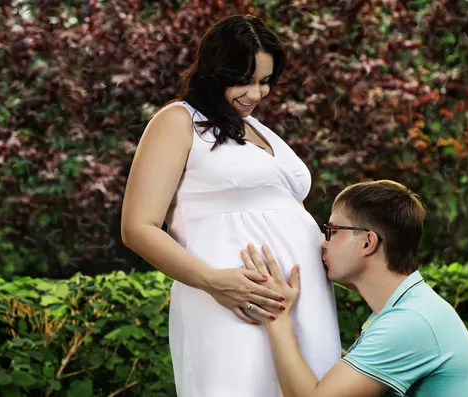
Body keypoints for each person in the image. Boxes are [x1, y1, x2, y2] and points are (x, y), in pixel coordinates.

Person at [120, 14, 341, 397]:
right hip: (232, 301)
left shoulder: (258, 129)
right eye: (243, 80)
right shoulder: (178, 122)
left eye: (265, 81)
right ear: (213, 71)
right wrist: (213, 282)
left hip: (302, 302)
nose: (255, 94)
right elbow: (137, 227)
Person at [240, 180, 468, 397]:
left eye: (333, 231)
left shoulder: (410, 322)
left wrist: (275, 313)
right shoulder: (409, 308)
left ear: (368, 242)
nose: (322, 244)